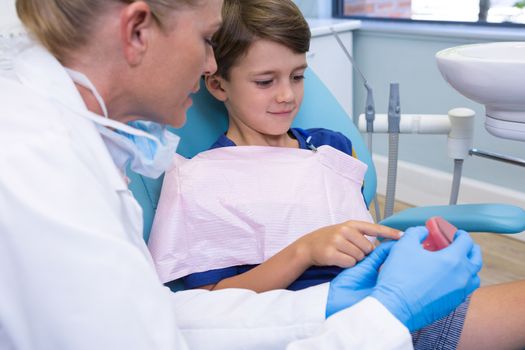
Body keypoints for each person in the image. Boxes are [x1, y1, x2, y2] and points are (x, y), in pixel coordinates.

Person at [0, 0, 485, 349]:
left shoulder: (68, 144)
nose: (212, 61)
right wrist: (386, 316)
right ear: (137, 31)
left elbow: (160, 316)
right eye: (207, 40)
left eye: (296, 75)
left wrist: (327, 303)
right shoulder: (40, 176)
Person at [148, 1, 525, 349]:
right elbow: (212, 307)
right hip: (327, 322)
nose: (287, 96)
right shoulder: (200, 181)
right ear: (217, 84)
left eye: (297, 76)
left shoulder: (330, 148)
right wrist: (304, 251)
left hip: (391, 292)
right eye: (266, 81)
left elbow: (361, 229)